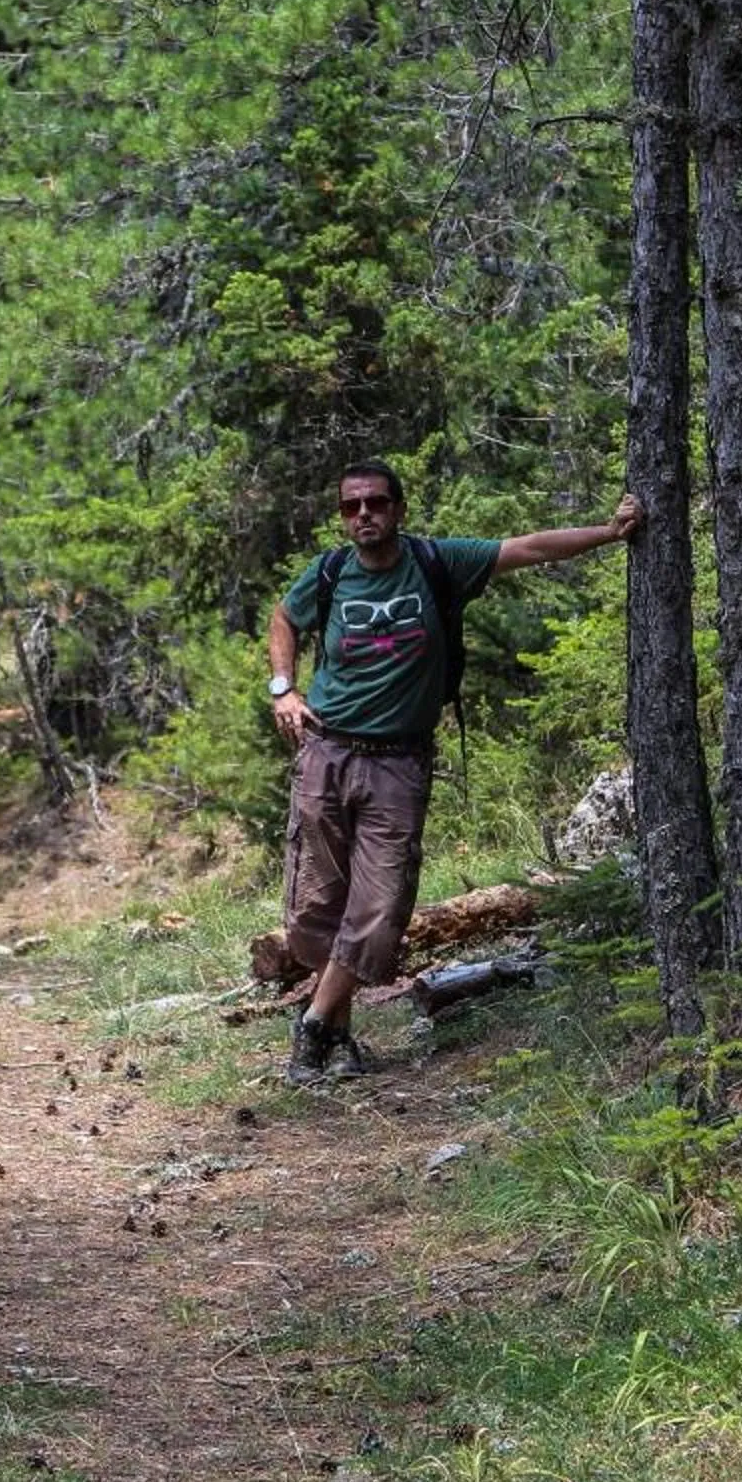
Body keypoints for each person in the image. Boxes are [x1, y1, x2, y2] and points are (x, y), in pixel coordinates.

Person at [268, 458, 642, 1079]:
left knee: (381, 905)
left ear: (399, 509)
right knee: (316, 910)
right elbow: (285, 618)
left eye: (376, 503)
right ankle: (337, 1033)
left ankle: (311, 1028)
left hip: (399, 763)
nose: (364, 515)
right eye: (351, 506)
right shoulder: (330, 574)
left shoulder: (439, 563)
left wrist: (609, 532)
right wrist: (284, 688)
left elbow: (528, 548)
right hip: (326, 753)